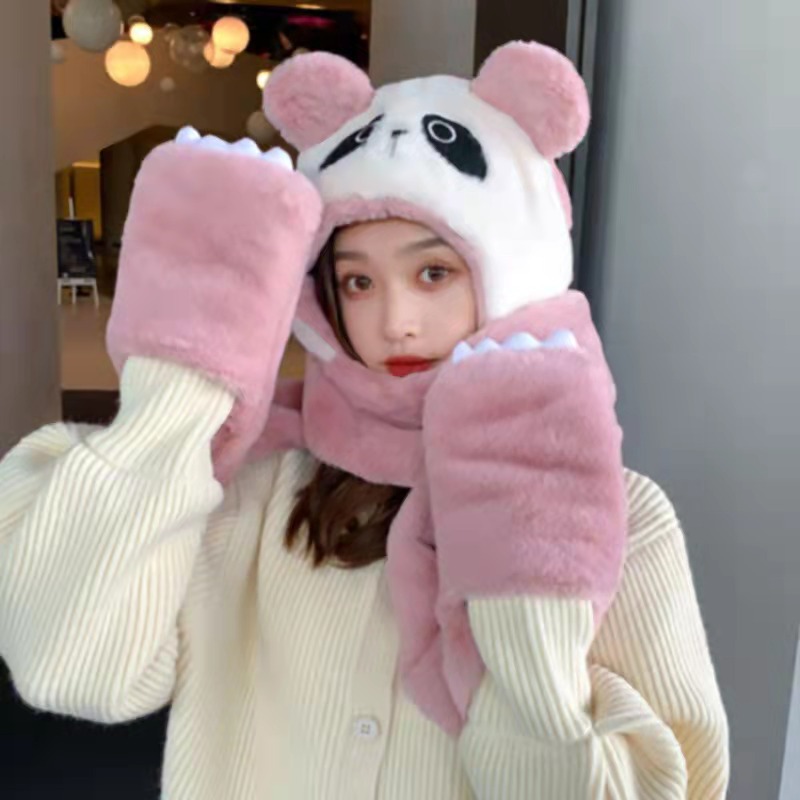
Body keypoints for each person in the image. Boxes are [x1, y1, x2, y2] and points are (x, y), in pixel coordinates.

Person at [0, 42, 729, 799]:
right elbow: (73, 669)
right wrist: (183, 381)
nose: (395, 321)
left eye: (434, 272)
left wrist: (528, 607)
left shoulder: (622, 518)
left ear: (516, 265)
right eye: (356, 281)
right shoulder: (256, 487)